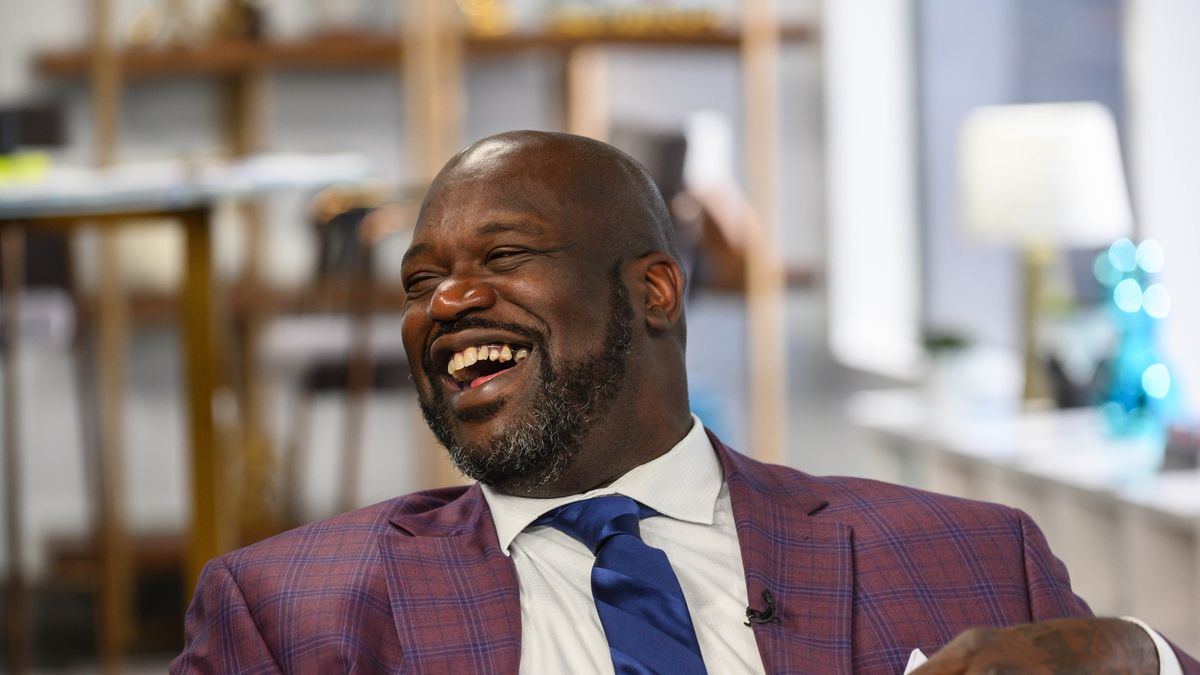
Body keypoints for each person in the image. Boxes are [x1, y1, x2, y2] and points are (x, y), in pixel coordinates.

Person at [172, 131, 1198, 674]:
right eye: (418, 281)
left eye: (504, 257)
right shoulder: (289, 612)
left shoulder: (970, 557)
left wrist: (1138, 657)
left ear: (653, 291)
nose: (446, 302)